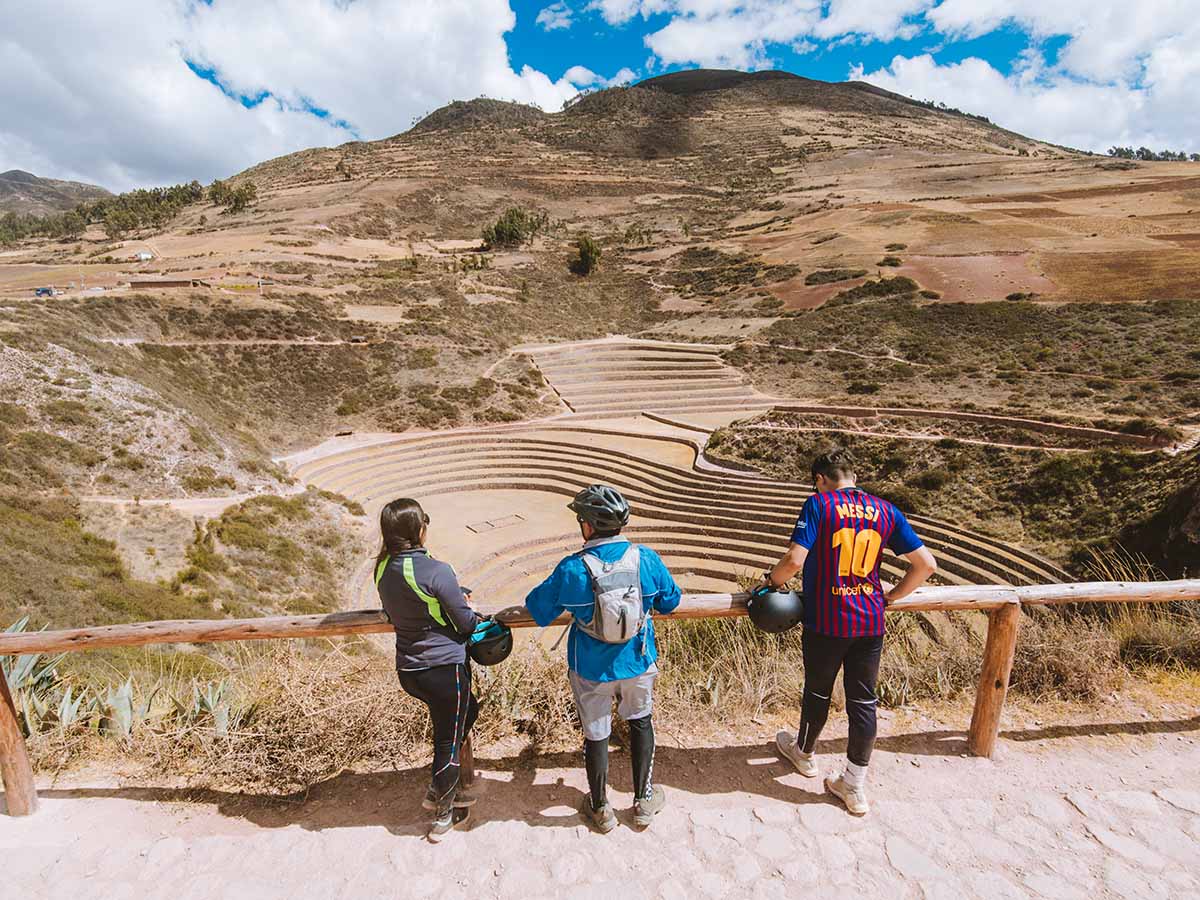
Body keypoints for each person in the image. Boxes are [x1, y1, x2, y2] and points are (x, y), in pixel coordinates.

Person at [763, 448, 937, 816]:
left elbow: (794, 560)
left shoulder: (819, 504)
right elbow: (926, 565)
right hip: (870, 620)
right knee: (863, 702)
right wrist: (891, 596)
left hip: (827, 620)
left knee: (817, 691)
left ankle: (804, 754)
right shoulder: (886, 510)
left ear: (820, 480)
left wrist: (770, 583)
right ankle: (853, 786)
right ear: (853, 477)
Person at [525, 484, 681, 833]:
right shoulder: (647, 559)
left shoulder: (573, 569)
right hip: (638, 661)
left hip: (591, 667)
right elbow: (671, 601)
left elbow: (538, 609)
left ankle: (599, 808)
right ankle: (643, 801)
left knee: (596, 733)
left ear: (588, 526)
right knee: (640, 722)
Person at [375, 497, 482, 841]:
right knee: (447, 742)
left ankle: (439, 788)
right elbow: (465, 624)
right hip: (443, 669)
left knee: (468, 711)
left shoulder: (381, 568)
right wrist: (469, 608)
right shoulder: (438, 570)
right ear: (419, 530)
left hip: (410, 670)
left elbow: (398, 609)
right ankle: (444, 814)